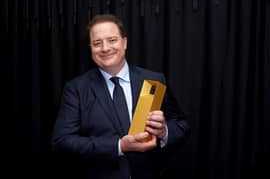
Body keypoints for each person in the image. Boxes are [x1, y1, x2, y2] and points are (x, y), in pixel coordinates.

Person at [51, 14, 190, 179]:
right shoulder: (76, 89)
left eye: (112, 40)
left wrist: (164, 132)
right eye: (97, 43)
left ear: (124, 43)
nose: (105, 48)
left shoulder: (154, 80)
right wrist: (119, 146)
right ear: (91, 48)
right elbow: (62, 141)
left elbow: (181, 125)